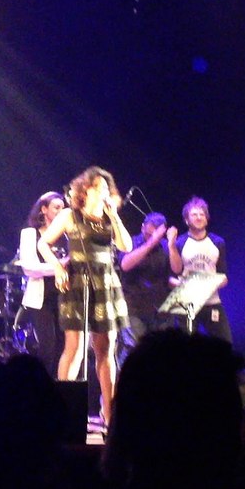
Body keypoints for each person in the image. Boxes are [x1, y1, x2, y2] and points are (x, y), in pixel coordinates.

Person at [38, 166, 132, 426]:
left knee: (106, 349)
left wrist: (114, 217)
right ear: (85, 190)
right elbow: (43, 243)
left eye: (106, 188)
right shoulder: (70, 215)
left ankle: (109, 414)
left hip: (105, 282)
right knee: (75, 348)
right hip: (78, 282)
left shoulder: (109, 217)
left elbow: (126, 246)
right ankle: (64, 412)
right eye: (98, 187)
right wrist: (57, 267)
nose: (104, 192)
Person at [165, 196, 232, 343]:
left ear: (207, 219)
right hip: (186, 304)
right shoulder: (179, 243)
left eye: (202, 214)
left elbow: (224, 276)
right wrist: (188, 286)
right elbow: (172, 276)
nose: (199, 217)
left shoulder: (218, 242)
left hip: (212, 302)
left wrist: (207, 286)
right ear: (186, 220)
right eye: (194, 215)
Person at [15, 191, 67, 377]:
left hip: (65, 298)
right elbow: (29, 268)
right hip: (41, 299)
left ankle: (60, 386)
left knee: (64, 348)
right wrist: (58, 266)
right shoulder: (30, 234)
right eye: (56, 207)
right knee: (47, 348)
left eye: (63, 208)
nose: (61, 211)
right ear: (44, 209)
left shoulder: (66, 235)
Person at [118, 211, 172, 353]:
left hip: (159, 309)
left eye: (156, 234)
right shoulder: (131, 243)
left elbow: (171, 274)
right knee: (134, 351)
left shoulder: (165, 246)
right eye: (148, 233)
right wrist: (151, 242)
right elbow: (125, 264)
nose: (152, 236)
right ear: (143, 227)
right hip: (134, 308)